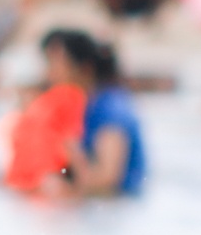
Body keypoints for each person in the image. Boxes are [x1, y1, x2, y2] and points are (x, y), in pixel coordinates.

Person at [52, 30, 145, 199]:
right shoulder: (86, 104)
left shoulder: (111, 109)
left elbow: (107, 178)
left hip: (119, 205)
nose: (50, 73)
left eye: (57, 64)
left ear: (84, 69)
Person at [1, 29, 90, 194]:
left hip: (39, 181)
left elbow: (70, 141)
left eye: (57, 61)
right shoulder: (52, 97)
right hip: (29, 181)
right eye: (49, 61)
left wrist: (82, 183)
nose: (51, 67)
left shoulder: (67, 96)